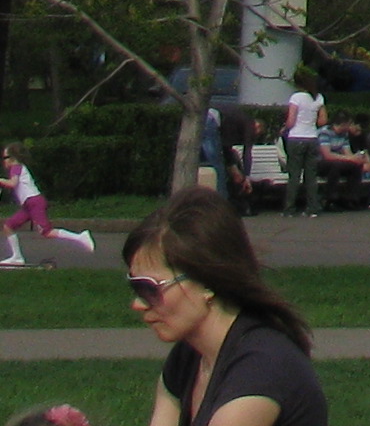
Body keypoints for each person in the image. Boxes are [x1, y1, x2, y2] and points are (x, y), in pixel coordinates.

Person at [124, 186, 327, 426]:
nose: (138, 304)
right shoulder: (187, 356)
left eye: (149, 288)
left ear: (206, 282)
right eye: (135, 287)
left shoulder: (261, 370)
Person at [0, 150, 97, 264]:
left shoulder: (16, 167)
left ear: (13, 158)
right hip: (28, 205)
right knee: (8, 226)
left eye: (5, 157)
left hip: (34, 202)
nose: (4, 161)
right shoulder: (17, 168)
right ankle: (17, 257)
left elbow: (12, 183)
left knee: (46, 232)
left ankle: (80, 237)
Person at [278, 82, 325, 220]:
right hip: (312, 138)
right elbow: (323, 120)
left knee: (294, 175)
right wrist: (311, 123)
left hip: (296, 137)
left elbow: (291, 120)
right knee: (311, 176)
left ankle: (289, 209)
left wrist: (285, 128)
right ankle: (312, 208)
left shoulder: (296, 97)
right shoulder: (318, 98)